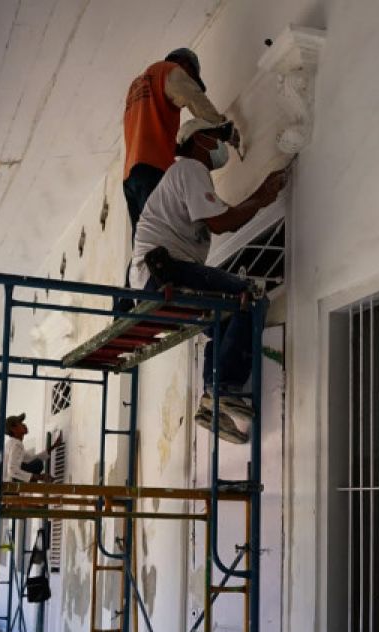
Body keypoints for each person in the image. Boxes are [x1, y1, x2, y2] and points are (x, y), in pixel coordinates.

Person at [130, 117, 287, 443]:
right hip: (162, 271)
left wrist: (258, 199)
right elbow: (222, 223)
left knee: (223, 323)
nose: (221, 146)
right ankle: (224, 390)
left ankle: (209, 402)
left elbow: (226, 216)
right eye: (218, 137)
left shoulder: (187, 179)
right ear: (199, 139)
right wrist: (263, 195)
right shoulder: (190, 169)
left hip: (155, 276)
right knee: (253, 295)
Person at [123, 47, 239, 237]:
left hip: (130, 176)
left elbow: (147, 132)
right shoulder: (169, 70)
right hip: (153, 167)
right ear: (185, 65)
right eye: (192, 78)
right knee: (162, 235)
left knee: (143, 240)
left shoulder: (137, 86)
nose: (191, 82)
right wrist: (222, 127)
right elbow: (194, 98)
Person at [3, 413, 63, 483]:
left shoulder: (11, 443)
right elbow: (12, 470)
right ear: (13, 429)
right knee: (38, 464)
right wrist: (40, 477)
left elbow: (32, 458)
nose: (24, 425)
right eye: (20, 423)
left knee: (36, 462)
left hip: (4, 484)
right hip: (7, 484)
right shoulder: (16, 444)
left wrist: (54, 446)